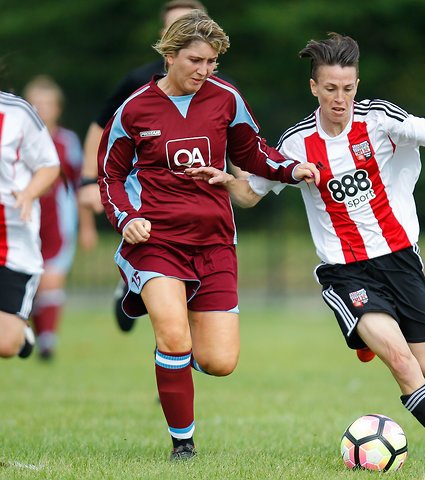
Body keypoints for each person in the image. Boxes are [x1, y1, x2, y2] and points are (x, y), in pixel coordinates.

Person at [187, 33, 425, 465]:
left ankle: (368, 338)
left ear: (357, 84)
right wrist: (228, 181)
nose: (340, 99)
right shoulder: (296, 142)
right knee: (402, 362)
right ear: (314, 87)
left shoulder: (380, 119)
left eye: (348, 88)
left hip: (400, 259)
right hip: (346, 271)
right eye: (330, 89)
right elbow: (250, 194)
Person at [97, 11, 319, 461]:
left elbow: (252, 151)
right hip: (155, 241)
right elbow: (109, 176)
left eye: (212, 62)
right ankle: (184, 445)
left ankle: (173, 355)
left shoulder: (225, 99)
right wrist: (126, 219)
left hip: (215, 241)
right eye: (195, 60)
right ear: (170, 55)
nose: (204, 70)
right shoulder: (135, 109)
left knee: (219, 362)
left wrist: (291, 169)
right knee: (174, 337)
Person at [79, 0, 210, 334]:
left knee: (199, 301)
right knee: (169, 301)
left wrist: (243, 180)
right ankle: (133, 279)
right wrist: (88, 181)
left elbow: (239, 137)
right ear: (163, 36)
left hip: (204, 199)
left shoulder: (221, 86)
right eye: (176, 27)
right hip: (152, 200)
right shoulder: (138, 80)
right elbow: (101, 126)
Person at [24, 75, 90, 360]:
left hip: (57, 225)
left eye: (47, 103)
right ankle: (29, 334)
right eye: (35, 103)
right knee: (29, 282)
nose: (41, 108)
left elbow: (79, 186)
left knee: (51, 280)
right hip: (22, 222)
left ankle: (47, 343)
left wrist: (86, 226)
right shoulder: (15, 139)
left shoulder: (67, 142)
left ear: (58, 108)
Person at [0, 90, 60, 360]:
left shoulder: (18, 112)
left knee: (6, 346)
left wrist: (28, 193)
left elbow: (49, 165)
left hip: (11, 240)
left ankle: (17, 330)